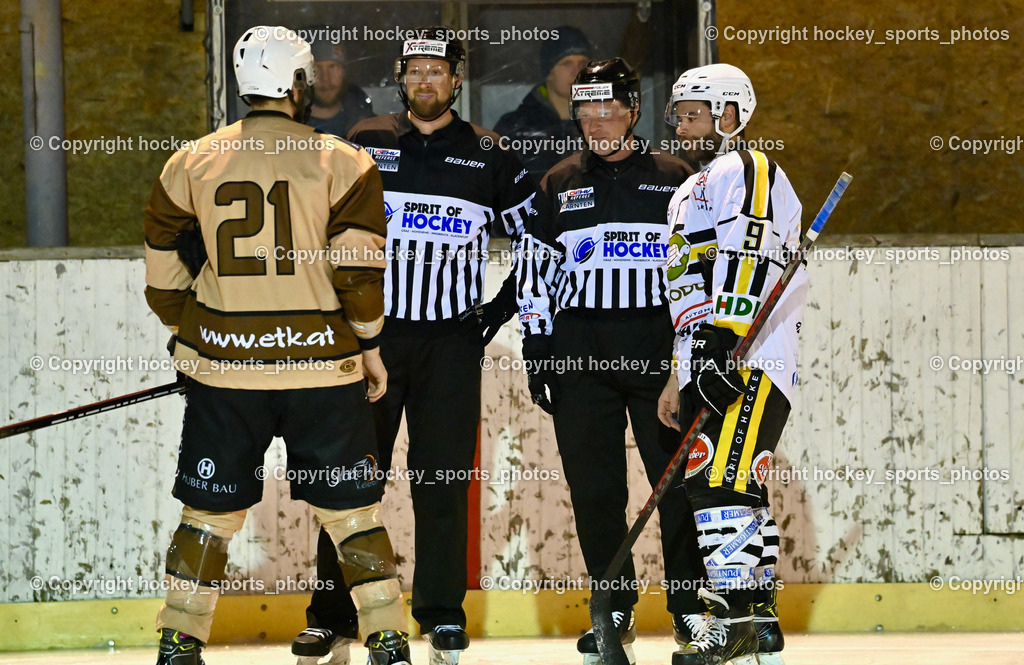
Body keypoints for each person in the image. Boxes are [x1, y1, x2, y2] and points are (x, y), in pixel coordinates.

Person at [144, 25, 411, 665]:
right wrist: (370, 346)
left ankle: (180, 639)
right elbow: (358, 275)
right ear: (296, 84)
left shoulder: (189, 161)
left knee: (206, 516)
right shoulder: (346, 162)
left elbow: (161, 272)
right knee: (352, 514)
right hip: (323, 371)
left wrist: (195, 335)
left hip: (225, 374)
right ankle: (386, 636)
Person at [291, 26, 537, 665]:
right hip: (371, 340)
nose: (427, 81)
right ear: (401, 78)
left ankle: (441, 615)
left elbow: (540, 240)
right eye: (416, 70)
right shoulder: (366, 140)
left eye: (438, 70)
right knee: (350, 481)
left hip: (451, 343)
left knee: (441, 482)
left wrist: (494, 314)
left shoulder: (489, 152)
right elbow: (319, 225)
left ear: (457, 79)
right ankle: (332, 616)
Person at [516, 58, 708, 665]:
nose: (596, 123)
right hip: (581, 351)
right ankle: (613, 609)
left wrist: (692, 354)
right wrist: (537, 348)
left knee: (675, 485)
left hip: (657, 350)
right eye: (586, 112)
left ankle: (690, 608)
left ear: (632, 111)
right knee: (596, 491)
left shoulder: (676, 177)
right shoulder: (558, 181)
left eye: (608, 110)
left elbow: (701, 270)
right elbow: (534, 272)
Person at [657, 63, 805, 665]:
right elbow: (685, 290)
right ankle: (759, 621)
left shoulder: (746, 167)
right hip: (710, 358)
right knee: (734, 483)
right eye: (679, 116)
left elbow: (749, 248)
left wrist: (725, 338)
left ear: (730, 115)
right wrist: (681, 371)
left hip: (750, 356)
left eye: (694, 115)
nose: (682, 127)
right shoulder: (688, 190)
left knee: (716, 480)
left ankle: (736, 621)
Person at [493, 26, 593, 183]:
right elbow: (495, 184)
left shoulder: (601, 122)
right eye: (566, 63)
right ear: (548, 71)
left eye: (583, 63)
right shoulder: (515, 127)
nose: (576, 71)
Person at [306, 39, 375, 136]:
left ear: (344, 70)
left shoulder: (364, 117)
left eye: (333, 67)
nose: (325, 78)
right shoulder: (290, 125)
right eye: (315, 68)